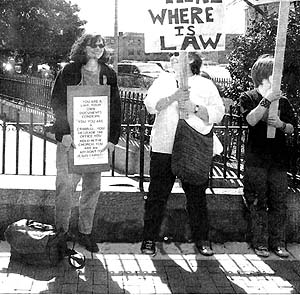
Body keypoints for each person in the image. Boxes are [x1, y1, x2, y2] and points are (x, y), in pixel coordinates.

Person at [141, 52, 225, 256]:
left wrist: (194, 108)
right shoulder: (163, 80)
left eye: (178, 56)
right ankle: (149, 238)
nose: (172, 59)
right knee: (157, 195)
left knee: (196, 196)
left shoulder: (205, 84)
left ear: (191, 60)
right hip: (165, 147)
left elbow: (218, 113)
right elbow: (151, 106)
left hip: (192, 147)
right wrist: (174, 97)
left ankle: (202, 239)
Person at [51, 33, 121, 252]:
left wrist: (111, 139)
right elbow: (57, 101)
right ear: (83, 47)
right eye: (94, 45)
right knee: (65, 188)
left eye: (101, 45)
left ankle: (85, 233)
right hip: (71, 142)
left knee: (92, 189)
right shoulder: (69, 70)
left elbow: (115, 108)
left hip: (95, 144)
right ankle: (61, 234)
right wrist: (64, 133)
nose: (98, 48)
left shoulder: (108, 74)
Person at [239, 54, 296, 258]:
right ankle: (260, 243)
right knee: (257, 202)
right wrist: (267, 100)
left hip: (278, 161)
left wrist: (280, 124)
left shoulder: (284, 101)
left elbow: (291, 128)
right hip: (256, 160)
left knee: (279, 203)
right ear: (265, 75)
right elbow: (251, 120)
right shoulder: (248, 97)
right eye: (276, 72)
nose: (279, 76)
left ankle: (278, 243)